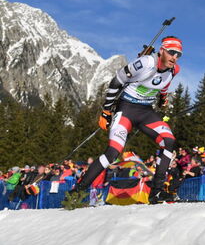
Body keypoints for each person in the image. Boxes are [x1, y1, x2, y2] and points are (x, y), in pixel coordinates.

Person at [67, 36, 183, 205]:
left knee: (169, 141)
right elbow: (116, 81)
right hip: (126, 109)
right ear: (163, 50)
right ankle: (77, 192)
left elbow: (164, 84)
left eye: (179, 54)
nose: (175, 57)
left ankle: (156, 194)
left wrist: (163, 98)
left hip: (146, 112)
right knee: (113, 152)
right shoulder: (145, 63)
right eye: (172, 52)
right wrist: (107, 111)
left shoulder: (174, 70)